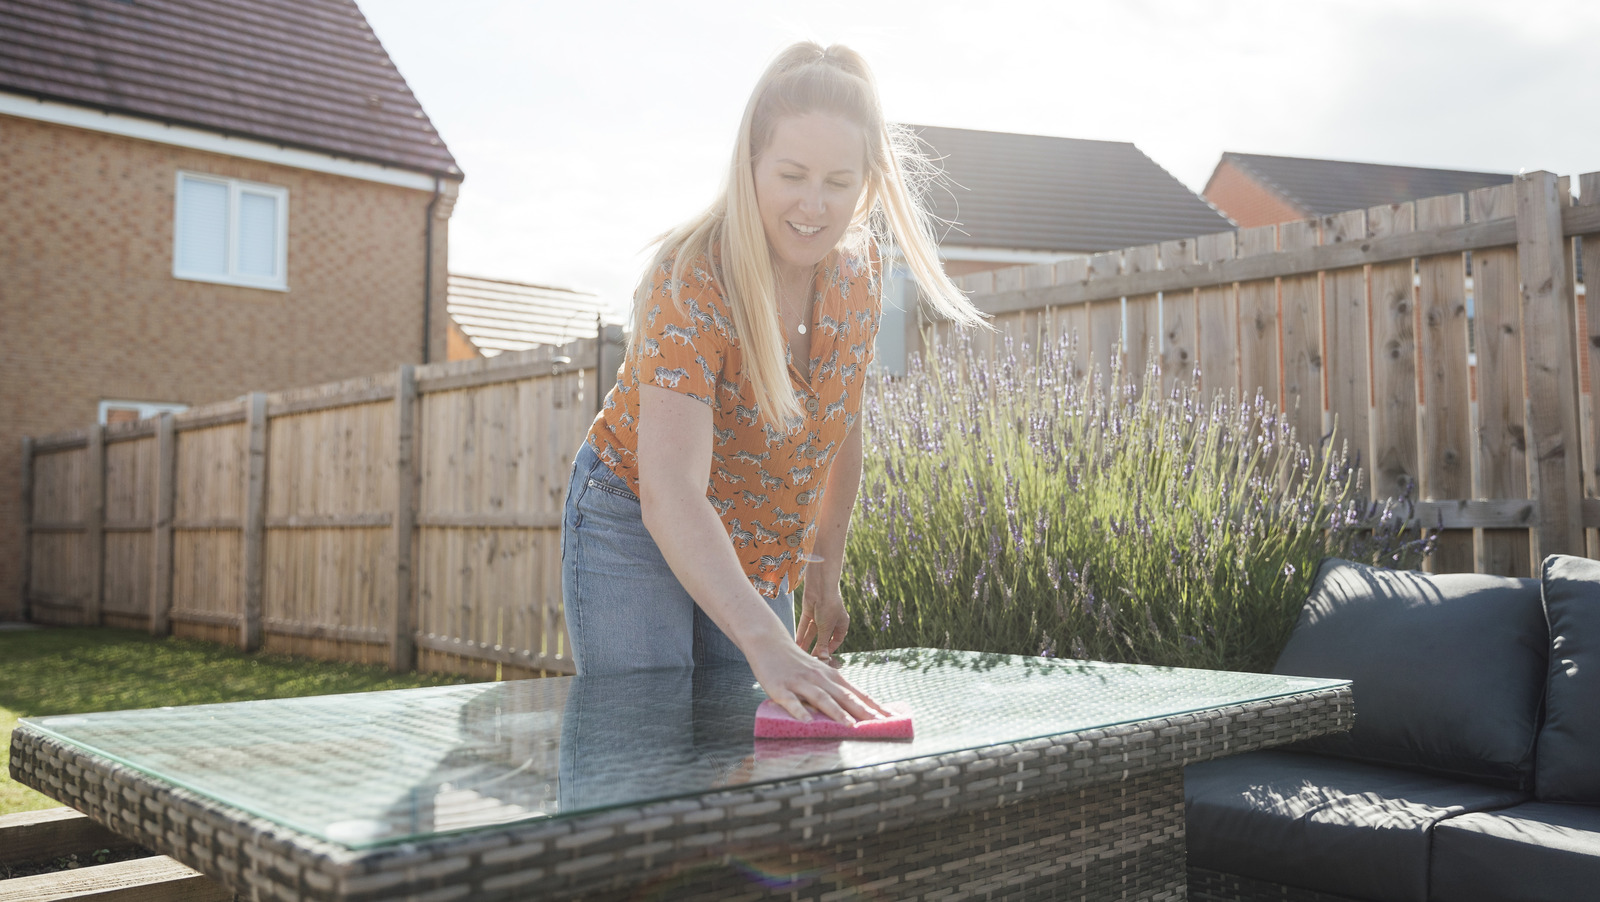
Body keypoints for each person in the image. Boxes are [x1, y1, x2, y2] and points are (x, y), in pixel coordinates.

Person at [560, 41, 986, 725]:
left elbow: (841, 426)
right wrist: (765, 639)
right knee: (644, 747)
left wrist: (824, 566)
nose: (813, 205)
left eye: (838, 182)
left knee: (752, 748)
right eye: (792, 174)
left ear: (867, 183)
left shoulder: (862, 277)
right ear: (750, 164)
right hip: (635, 515)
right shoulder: (691, 278)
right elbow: (671, 493)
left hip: (758, 538)